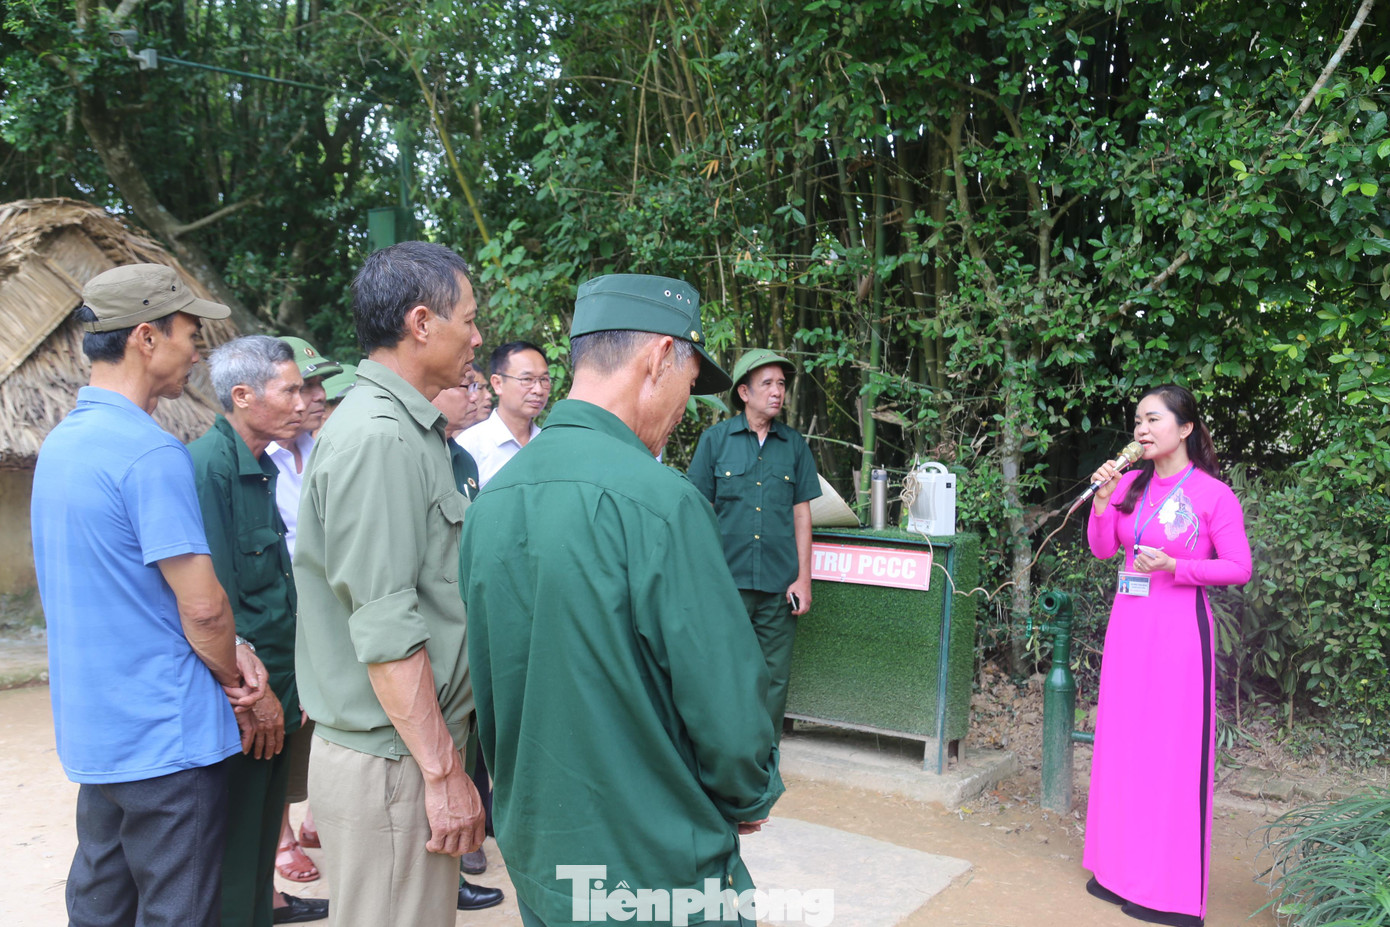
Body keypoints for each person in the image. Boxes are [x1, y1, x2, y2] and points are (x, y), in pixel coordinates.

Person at [461, 274, 785, 927]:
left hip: (542, 863)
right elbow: (725, 704)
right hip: (656, 869)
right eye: (689, 384)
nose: (683, 408)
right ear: (659, 357)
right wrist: (750, 790)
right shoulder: (661, 504)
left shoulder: (490, 502)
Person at [31, 263, 266, 927]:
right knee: (177, 912)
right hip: (167, 735)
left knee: (101, 907)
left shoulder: (61, 445)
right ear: (145, 337)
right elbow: (204, 607)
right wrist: (238, 679)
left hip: (98, 733)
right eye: (190, 333)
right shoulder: (149, 452)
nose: (197, 351)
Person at [292, 241, 501, 927]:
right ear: (420, 323)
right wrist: (443, 774)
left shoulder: (409, 432)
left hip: (406, 750)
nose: (477, 337)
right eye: (468, 320)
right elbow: (387, 628)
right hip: (396, 761)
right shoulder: (379, 438)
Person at [1082, 384, 1252, 927]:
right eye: (1137, 420)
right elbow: (1104, 549)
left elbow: (1239, 567)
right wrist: (1103, 502)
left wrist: (1177, 568)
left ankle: (1170, 894)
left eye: (1153, 419)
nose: (1142, 429)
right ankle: (1117, 871)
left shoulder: (1212, 495)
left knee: (1168, 755)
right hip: (1128, 630)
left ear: (1185, 428)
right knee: (1122, 746)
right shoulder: (1130, 484)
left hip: (1178, 635)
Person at [189, 336, 329, 926]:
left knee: (264, 824)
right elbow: (212, 604)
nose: (304, 403)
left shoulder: (261, 466)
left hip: (278, 684)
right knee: (237, 841)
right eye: (290, 390)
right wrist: (256, 696)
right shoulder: (209, 468)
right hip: (245, 697)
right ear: (243, 396)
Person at [687, 348, 821, 741]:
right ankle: (723, 752)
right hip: (726, 584)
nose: (777, 391)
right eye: (767, 384)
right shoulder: (715, 441)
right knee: (723, 671)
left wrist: (804, 579)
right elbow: (699, 514)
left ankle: (763, 757)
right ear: (744, 393)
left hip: (779, 586)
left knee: (773, 677)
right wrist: (702, 578)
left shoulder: (794, 445)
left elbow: (802, 515)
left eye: (781, 384)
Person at [266, 336, 344, 887]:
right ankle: (280, 836)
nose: (316, 397)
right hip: (276, 614)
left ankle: (316, 811)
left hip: (324, 608)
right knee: (279, 722)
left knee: (323, 711)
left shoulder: (327, 450)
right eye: (304, 386)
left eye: (319, 385)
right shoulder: (258, 460)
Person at [457, 340, 552, 487]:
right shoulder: (470, 446)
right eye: (527, 379)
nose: (538, 390)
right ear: (498, 383)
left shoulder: (549, 444)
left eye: (544, 379)